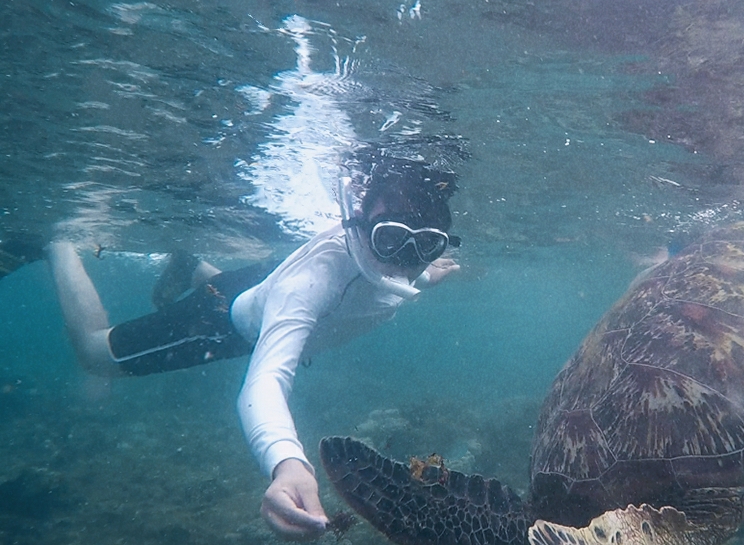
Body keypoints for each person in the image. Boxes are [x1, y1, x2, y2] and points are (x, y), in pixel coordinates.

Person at [45, 158, 461, 541]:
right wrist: (286, 462)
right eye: (390, 239)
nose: (405, 262)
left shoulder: (396, 263)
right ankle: (58, 241)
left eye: (426, 246)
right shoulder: (312, 282)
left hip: (262, 287)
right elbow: (265, 380)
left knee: (268, 291)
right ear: (355, 224)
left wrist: (424, 276)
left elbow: (387, 276)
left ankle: (190, 267)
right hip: (222, 324)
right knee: (93, 355)